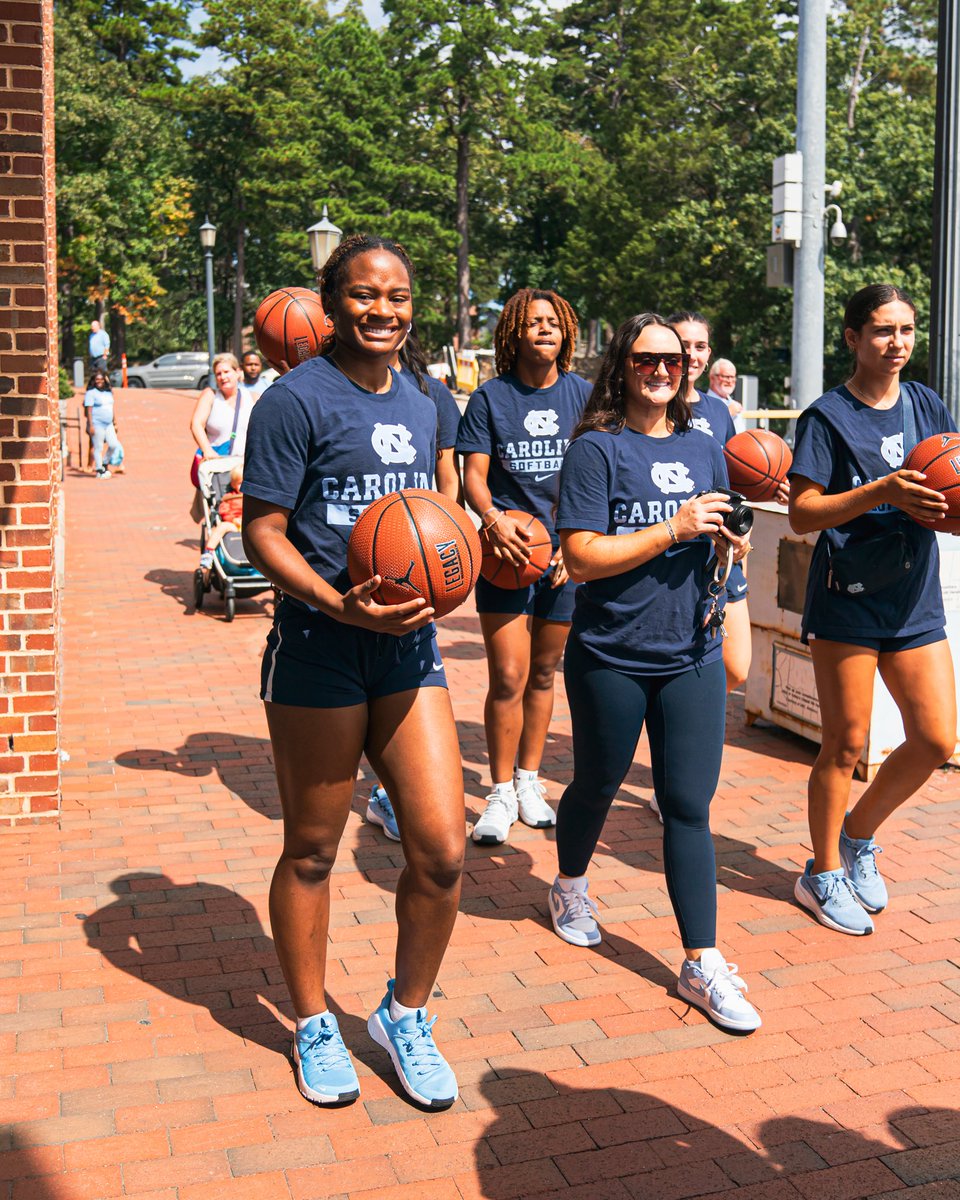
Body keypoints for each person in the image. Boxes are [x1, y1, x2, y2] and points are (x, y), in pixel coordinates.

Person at [240, 233, 464, 1110]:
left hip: (407, 650)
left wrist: (469, 551)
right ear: (332, 303)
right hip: (319, 648)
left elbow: (438, 509)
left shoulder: (426, 399)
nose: (382, 310)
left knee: (442, 852)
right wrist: (338, 603)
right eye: (365, 294)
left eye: (397, 296)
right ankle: (311, 1023)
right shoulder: (295, 400)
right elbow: (263, 532)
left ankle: (404, 1015)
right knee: (312, 849)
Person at [548, 312, 761, 1034]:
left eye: (675, 360)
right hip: (612, 653)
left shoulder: (705, 446)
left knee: (689, 806)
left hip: (692, 652)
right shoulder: (596, 449)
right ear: (622, 365)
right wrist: (674, 526)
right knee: (597, 784)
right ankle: (569, 884)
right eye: (647, 359)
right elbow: (581, 557)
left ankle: (701, 960)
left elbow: (718, 532)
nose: (663, 370)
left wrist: (728, 545)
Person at [788, 283, 958, 936]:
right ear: (853, 337)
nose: (897, 343)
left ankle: (857, 834)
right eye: (884, 330)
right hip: (847, 598)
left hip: (913, 595)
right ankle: (822, 873)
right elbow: (803, 514)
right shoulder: (826, 417)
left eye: (906, 330)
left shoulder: (925, 403)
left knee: (937, 737)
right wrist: (880, 491)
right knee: (846, 744)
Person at [457, 288, 591, 845]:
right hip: (505, 554)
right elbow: (474, 477)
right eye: (533, 322)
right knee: (508, 675)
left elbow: (598, 473)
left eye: (553, 322)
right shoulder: (490, 398)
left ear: (567, 333)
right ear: (514, 332)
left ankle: (529, 780)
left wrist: (575, 541)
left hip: (561, 555)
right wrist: (491, 520)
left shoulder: (584, 395)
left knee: (543, 672)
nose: (544, 329)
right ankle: (499, 792)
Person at [366, 326, 464, 843]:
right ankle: (384, 790)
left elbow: (447, 474)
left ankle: (391, 788)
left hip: (415, 554)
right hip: (351, 589)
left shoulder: (430, 394)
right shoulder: (320, 391)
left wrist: (444, 531)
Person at [188, 353, 255, 487]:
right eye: (218, 374)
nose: (222, 377)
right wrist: (207, 450)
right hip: (218, 465)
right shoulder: (210, 395)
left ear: (237, 372)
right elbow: (196, 424)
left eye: (226, 372)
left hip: (244, 467)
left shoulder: (252, 397)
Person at [199, 464, 243, 586]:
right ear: (233, 484)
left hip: (248, 525)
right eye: (240, 483)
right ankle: (208, 553)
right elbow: (224, 511)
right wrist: (233, 519)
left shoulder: (252, 498)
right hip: (234, 525)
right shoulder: (229, 498)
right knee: (222, 527)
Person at [83, 369, 122, 480]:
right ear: (94, 380)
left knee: (113, 444)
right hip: (97, 423)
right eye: (97, 379)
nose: (99, 381)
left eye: (101, 379)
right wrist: (90, 425)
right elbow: (89, 410)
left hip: (109, 423)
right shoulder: (91, 393)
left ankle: (104, 463)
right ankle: (99, 470)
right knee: (98, 447)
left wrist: (115, 422)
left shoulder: (108, 393)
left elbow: (111, 408)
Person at [706, 358, 745, 433]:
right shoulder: (703, 403)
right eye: (725, 376)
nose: (730, 381)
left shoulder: (734, 405)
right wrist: (728, 413)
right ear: (712, 378)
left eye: (732, 377)